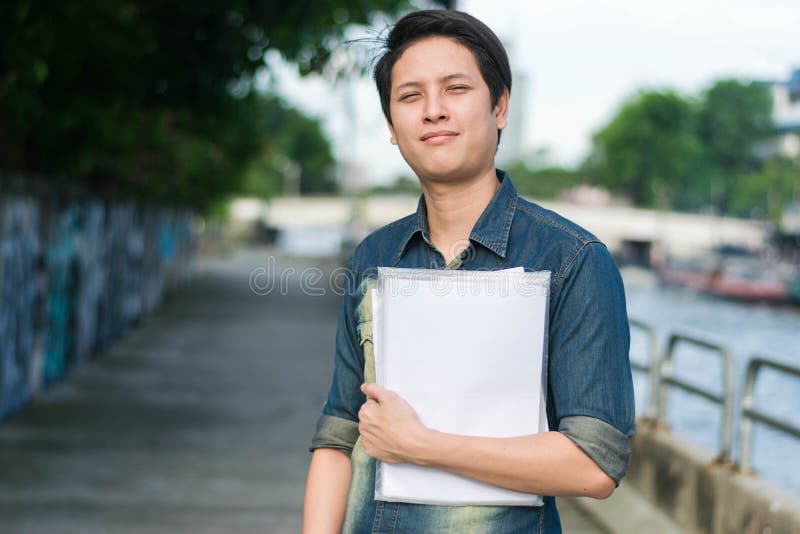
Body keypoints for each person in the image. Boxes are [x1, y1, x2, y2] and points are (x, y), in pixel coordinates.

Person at [303, 9, 634, 534]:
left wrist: (423, 446)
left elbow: (595, 463)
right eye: (410, 97)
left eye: (455, 89)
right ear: (392, 128)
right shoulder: (373, 257)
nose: (433, 111)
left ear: (500, 106)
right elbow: (339, 436)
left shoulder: (571, 260)